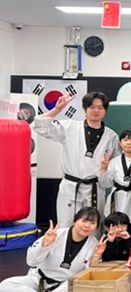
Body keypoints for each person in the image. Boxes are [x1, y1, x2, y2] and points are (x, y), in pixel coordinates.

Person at [0, 208, 105, 292]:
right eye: (84, 221)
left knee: (74, 283)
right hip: (39, 280)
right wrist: (45, 244)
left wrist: (96, 256)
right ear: (75, 221)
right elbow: (31, 261)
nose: (87, 226)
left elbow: (89, 275)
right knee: (4, 286)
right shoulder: (55, 234)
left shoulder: (95, 245)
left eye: (92, 223)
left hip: (64, 288)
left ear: (96, 227)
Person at [33, 92, 119, 226]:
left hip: (95, 189)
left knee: (93, 228)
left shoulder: (111, 137)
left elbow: (116, 164)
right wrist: (57, 109)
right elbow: (40, 126)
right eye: (92, 107)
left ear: (105, 111)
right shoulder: (70, 127)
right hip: (70, 186)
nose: (96, 110)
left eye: (100, 107)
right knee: (66, 226)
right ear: (85, 109)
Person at [100, 129, 131, 224]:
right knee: (114, 224)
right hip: (117, 198)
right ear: (120, 143)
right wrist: (104, 169)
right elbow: (105, 184)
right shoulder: (113, 162)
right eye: (125, 140)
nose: (128, 143)